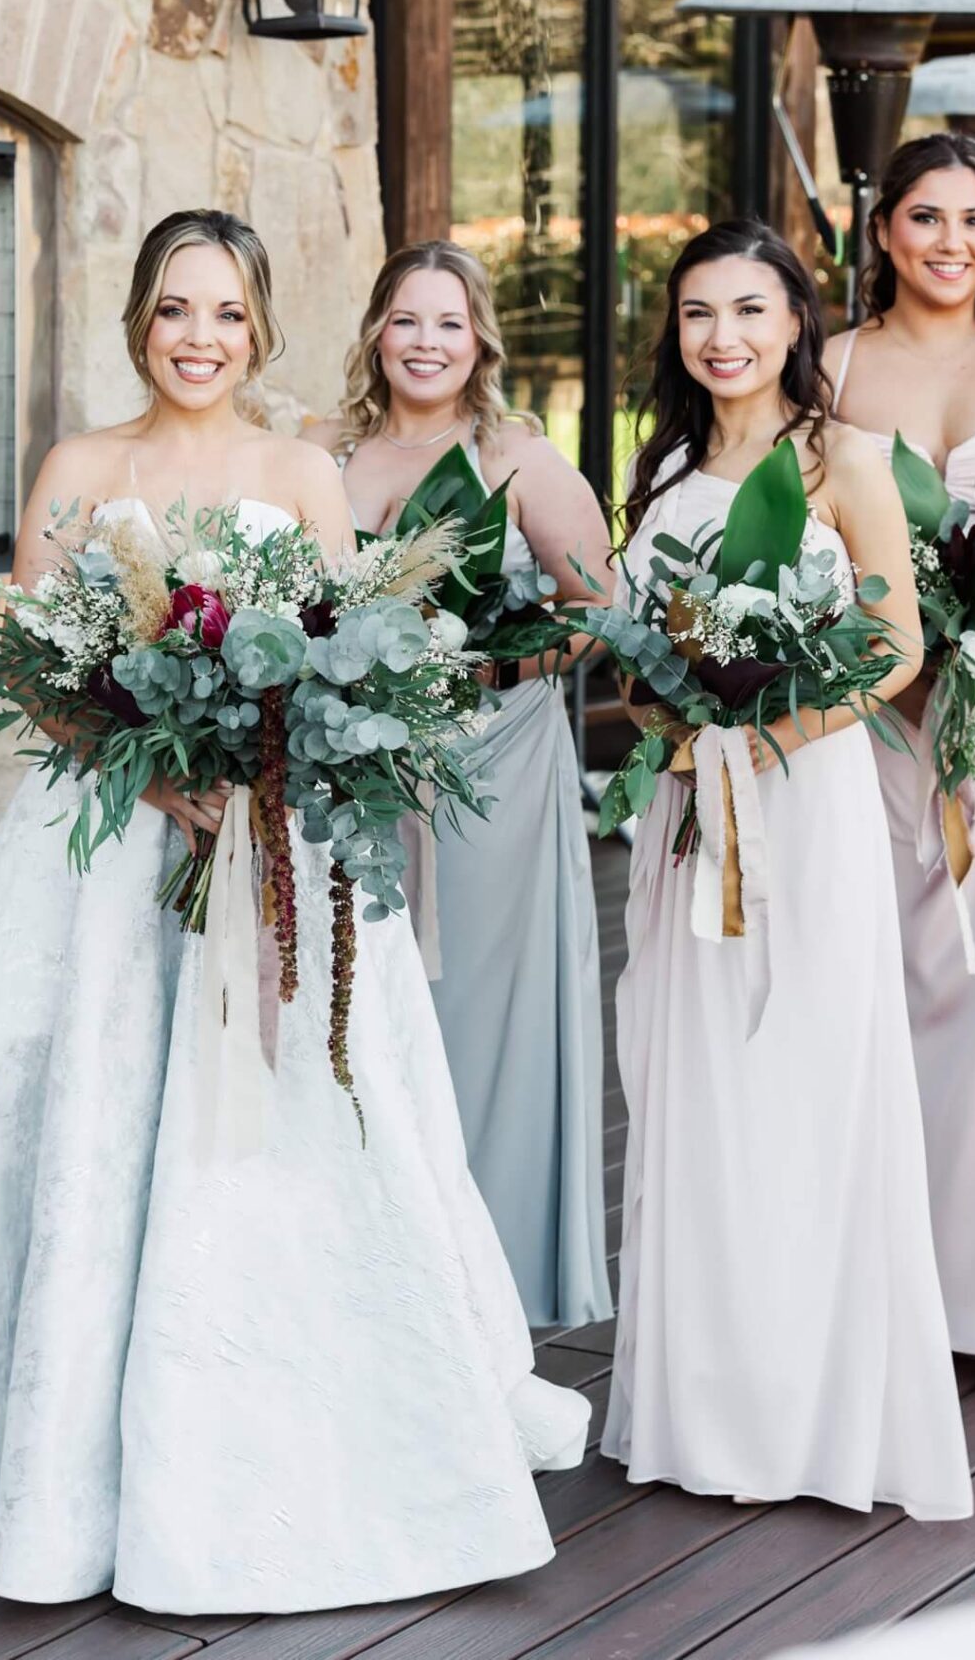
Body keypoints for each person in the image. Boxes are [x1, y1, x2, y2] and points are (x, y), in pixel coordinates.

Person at [0, 208, 590, 1613]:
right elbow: (40, 669)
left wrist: (254, 756)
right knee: (53, 1118)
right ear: (138, 321)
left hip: (265, 836)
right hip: (104, 845)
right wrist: (141, 752)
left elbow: (339, 651)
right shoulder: (82, 464)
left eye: (225, 312)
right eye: (175, 310)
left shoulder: (300, 468)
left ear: (258, 328)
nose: (198, 338)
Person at [604, 217, 970, 1519]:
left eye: (749, 311)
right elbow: (637, 654)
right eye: (698, 313)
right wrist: (675, 730)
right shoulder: (654, 479)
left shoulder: (844, 459)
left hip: (799, 812)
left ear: (793, 322)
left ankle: (809, 1417)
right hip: (689, 816)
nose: (723, 338)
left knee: (800, 1078)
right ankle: (698, 1411)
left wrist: (762, 742)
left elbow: (891, 646)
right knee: (693, 1080)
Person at [308, 240, 613, 1332]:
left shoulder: (517, 457)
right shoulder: (322, 451)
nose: (425, 343)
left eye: (447, 322)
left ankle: (491, 1281)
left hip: (493, 769)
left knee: (477, 1010)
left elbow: (593, 613)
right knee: (361, 1007)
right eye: (405, 320)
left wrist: (480, 664)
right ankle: (377, 1276)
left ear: (480, 338)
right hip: (357, 771)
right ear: (376, 334)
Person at [830, 131, 975, 1405]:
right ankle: (900, 1271)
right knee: (891, 970)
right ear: (885, 232)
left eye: (974, 222)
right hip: (880, 719)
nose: (951, 245)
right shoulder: (834, 365)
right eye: (926, 219)